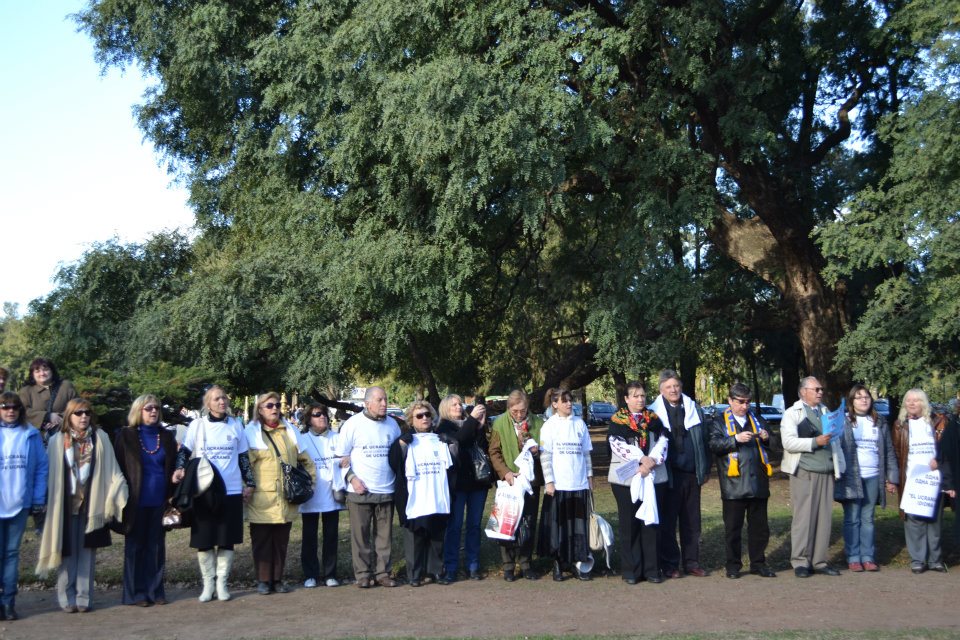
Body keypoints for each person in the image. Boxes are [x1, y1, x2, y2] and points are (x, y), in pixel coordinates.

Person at [36, 398, 128, 613]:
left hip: (91, 504)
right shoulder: (57, 440)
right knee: (66, 554)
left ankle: (84, 597)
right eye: (79, 413)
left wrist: (117, 491)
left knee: (87, 553)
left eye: (87, 412)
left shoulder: (100, 438)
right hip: (65, 506)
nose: (84, 416)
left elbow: (112, 468)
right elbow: (48, 473)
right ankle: (67, 598)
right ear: (69, 416)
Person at [172, 385, 254, 602]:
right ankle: (208, 583)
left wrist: (250, 483)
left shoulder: (236, 425)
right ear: (208, 403)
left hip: (231, 490)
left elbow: (243, 458)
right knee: (205, 539)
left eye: (224, 398)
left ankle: (222, 583)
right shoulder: (197, 425)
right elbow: (184, 451)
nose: (222, 401)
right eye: (217, 399)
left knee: (227, 539)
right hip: (204, 490)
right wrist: (179, 468)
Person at [244, 392, 316, 594]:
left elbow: (306, 460)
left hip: (286, 497)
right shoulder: (251, 433)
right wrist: (245, 487)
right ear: (259, 409)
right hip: (262, 497)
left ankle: (277, 579)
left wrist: (311, 483)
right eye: (269, 406)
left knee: (280, 541)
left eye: (276, 405)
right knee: (261, 541)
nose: (274, 408)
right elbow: (245, 465)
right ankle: (263, 580)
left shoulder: (290, 431)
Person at [114, 394, 178, 605]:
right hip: (134, 501)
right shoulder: (126, 435)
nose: (154, 412)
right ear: (138, 411)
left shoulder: (166, 436)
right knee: (135, 548)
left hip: (160, 500)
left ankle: (155, 591)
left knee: (156, 548)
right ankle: (136, 594)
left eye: (157, 408)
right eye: (149, 408)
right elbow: (118, 468)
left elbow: (172, 466)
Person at [708, 383, 776, 579]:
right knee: (733, 529)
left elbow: (774, 443)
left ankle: (758, 563)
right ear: (730, 401)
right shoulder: (718, 422)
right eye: (740, 402)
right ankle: (733, 566)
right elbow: (713, 445)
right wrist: (735, 439)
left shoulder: (757, 419)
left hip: (758, 483)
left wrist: (766, 438)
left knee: (760, 529)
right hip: (734, 485)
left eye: (747, 402)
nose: (744, 406)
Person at [336, 386, 402, 588]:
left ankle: (383, 573)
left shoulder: (393, 425)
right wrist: (352, 478)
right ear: (367, 403)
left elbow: (399, 454)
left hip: (386, 489)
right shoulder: (352, 424)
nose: (384, 404)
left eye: (385, 399)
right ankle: (363, 574)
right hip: (360, 491)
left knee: (384, 537)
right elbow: (339, 457)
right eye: (379, 400)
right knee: (360, 536)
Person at [649, 369, 711, 578]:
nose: (673, 390)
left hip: (691, 473)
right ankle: (670, 564)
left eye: (676, 386)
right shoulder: (654, 413)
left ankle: (692, 562)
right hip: (668, 475)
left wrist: (705, 468)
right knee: (668, 522)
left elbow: (704, 440)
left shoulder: (694, 409)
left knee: (692, 521)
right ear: (661, 390)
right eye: (668, 387)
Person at [389, 401, 457, 586]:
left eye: (427, 414)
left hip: (437, 494)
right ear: (411, 420)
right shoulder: (405, 441)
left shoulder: (440, 439)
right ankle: (414, 574)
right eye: (419, 416)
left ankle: (437, 571)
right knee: (415, 536)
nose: (424, 418)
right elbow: (394, 464)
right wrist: (402, 445)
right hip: (415, 496)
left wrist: (451, 445)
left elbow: (453, 465)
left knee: (437, 535)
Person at [781, 376, 843, 577]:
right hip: (805, 471)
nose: (820, 392)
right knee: (803, 518)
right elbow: (788, 443)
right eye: (816, 389)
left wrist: (838, 465)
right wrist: (815, 442)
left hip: (826, 471)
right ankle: (800, 561)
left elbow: (835, 442)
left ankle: (819, 561)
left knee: (824, 519)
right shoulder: (792, 414)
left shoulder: (826, 412)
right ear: (803, 392)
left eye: (821, 389)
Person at [607, 381, 667, 584]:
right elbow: (617, 445)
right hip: (626, 479)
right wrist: (641, 459)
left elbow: (663, 441)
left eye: (642, 395)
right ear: (626, 399)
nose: (640, 399)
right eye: (635, 396)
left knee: (650, 522)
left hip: (652, 476)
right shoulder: (617, 420)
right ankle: (631, 571)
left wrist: (651, 460)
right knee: (629, 524)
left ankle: (652, 569)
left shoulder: (654, 419)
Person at [834, 385, 898, 572]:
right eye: (859, 397)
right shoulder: (843, 421)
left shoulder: (880, 421)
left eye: (866, 397)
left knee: (868, 518)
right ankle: (853, 557)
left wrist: (891, 477)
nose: (863, 400)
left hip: (873, 476)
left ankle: (868, 556)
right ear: (851, 401)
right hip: (851, 476)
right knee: (852, 518)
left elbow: (888, 451)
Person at [892, 389, 955, 573]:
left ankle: (935, 559)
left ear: (924, 403)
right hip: (911, 479)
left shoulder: (938, 422)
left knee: (934, 520)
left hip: (934, 479)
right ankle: (918, 560)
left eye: (917, 400)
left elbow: (949, 449)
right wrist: (894, 479)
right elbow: (896, 453)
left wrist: (939, 461)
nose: (912, 403)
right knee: (914, 521)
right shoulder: (899, 425)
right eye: (908, 400)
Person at [0, 391, 47, 621]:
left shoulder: (31, 434)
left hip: (19, 504)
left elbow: (41, 468)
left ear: (20, 410)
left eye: (14, 407)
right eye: (5, 407)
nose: (10, 411)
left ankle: (8, 603)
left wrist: (38, 500)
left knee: (11, 554)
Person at [489, 389, 544, 581]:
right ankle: (508, 565)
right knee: (507, 521)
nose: (519, 415)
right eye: (515, 411)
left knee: (528, 522)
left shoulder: (537, 423)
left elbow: (545, 449)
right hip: (509, 481)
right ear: (508, 408)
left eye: (523, 411)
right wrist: (505, 472)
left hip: (530, 482)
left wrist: (537, 451)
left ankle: (526, 563)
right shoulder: (499, 423)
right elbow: (494, 452)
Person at [538, 388, 594, 581]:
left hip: (579, 483)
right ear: (555, 404)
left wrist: (589, 476)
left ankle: (577, 563)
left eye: (570, 400)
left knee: (577, 527)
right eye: (565, 401)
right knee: (559, 527)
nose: (569, 404)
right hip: (559, 485)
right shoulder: (549, 426)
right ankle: (558, 564)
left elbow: (586, 453)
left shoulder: (579, 424)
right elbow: (546, 456)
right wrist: (549, 481)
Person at [436, 393, 488, 582]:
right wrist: (473, 420)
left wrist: (480, 427)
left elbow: (482, 448)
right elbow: (459, 440)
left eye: (460, 404)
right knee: (455, 526)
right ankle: (451, 566)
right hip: (456, 484)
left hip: (477, 482)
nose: (459, 407)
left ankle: (473, 565)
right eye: (454, 405)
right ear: (445, 409)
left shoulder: (471, 424)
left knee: (474, 525)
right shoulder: (443, 428)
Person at [298, 403, 345, 588]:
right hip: (311, 496)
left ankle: (330, 574)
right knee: (309, 537)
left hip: (332, 495)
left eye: (324, 414)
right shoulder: (302, 439)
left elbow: (345, 459)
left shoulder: (337, 437)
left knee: (331, 536)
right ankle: (310, 574)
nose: (322, 417)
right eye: (317, 414)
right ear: (309, 419)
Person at [18, 358, 78, 440]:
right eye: (37, 371)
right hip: (36, 438)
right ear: (32, 374)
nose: (42, 373)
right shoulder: (26, 391)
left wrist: (60, 418)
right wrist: (47, 416)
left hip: (65, 435)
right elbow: (22, 412)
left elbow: (77, 407)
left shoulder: (66, 386)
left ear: (52, 371)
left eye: (45, 370)